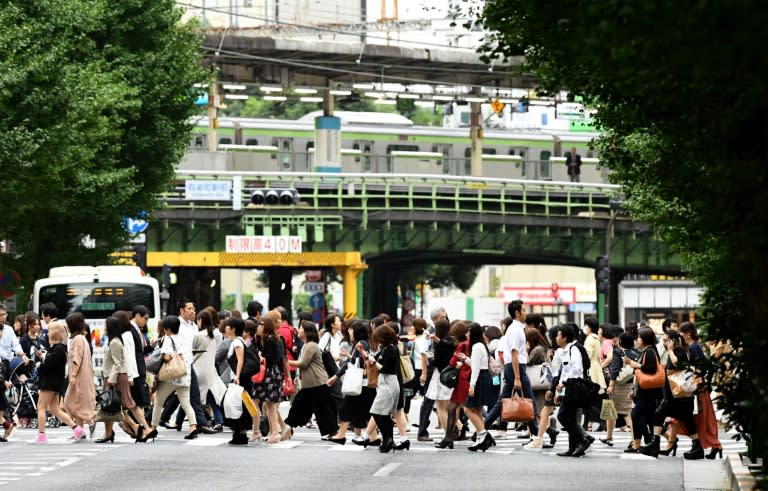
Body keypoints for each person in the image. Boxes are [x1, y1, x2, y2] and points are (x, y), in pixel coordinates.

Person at [640, 330, 704, 459]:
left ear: (672, 341)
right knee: (685, 419)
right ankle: (696, 447)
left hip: (677, 396)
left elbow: (677, 364)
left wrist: (669, 350)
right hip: (675, 396)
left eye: (666, 340)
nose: (664, 342)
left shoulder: (679, 351)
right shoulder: (675, 351)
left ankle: (656, 445)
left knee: (660, 415)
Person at [484, 300, 539, 440]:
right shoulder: (515, 329)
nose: (526, 313)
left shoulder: (517, 328)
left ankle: (482, 427)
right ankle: (539, 434)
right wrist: (518, 377)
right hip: (516, 368)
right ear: (517, 313)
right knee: (529, 400)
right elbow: (514, 353)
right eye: (524, 310)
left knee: (503, 402)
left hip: (513, 367)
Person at [145, 315, 199, 442]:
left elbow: (167, 357)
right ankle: (193, 426)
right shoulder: (182, 340)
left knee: (158, 401)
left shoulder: (168, 339)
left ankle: (153, 428)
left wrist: (163, 357)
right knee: (186, 403)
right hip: (184, 376)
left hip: (171, 377)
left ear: (166, 328)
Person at [284, 321, 338, 439]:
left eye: (301, 328)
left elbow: (303, 363)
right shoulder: (306, 345)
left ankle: (288, 427)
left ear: (307, 332)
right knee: (301, 406)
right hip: (311, 384)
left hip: (317, 383)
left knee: (322, 409)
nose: (298, 330)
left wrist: (287, 362)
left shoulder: (311, 345)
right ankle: (288, 427)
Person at [327, 320, 377, 444]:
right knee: (367, 411)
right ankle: (374, 438)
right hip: (363, 385)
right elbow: (356, 361)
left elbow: (360, 362)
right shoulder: (362, 343)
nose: (349, 331)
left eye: (351, 329)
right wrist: (350, 357)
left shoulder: (361, 344)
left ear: (356, 332)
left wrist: (336, 376)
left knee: (345, 408)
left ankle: (341, 435)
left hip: (361, 384)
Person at [677, 322, 722, 459]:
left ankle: (711, 445)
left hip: (698, 387)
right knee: (702, 418)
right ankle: (710, 446)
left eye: (682, 332)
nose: (680, 335)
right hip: (699, 386)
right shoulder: (695, 346)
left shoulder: (694, 347)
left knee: (702, 418)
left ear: (688, 333)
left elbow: (700, 368)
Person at [32, 322, 83, 443]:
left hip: (49, 382)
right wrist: (44, 356)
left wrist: (40, 363)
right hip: (55, 382)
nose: (47, 333)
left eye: (49, 331)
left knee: (41, 407)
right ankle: (76, 428)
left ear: (55, 332)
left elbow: (49, 365)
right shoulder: (59, 348)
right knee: (55, 409)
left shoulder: (58, 348)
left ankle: (41, 434)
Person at [552, 324, 592, 457]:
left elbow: (576, 369)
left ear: (564, 337)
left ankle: (582, 439)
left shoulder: (573, 349)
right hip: (568, 388)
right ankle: (573, 447)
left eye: (558, 335)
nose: (556, 338)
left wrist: (563, 384)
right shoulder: (566, 350)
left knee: (562, 416)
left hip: (573, 388)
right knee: (570, 417)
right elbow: (565, 371)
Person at [362, 324, 401, 453]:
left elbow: (385, 368)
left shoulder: (391, 350)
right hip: (386, 383)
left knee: (376, 412)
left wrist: (374, 361)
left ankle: (387, 439)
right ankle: (388, 440)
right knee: (384, 415)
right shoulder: (386, 349)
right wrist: (364, 353)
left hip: (389, 383)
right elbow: (373, 358)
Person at [624, 327, 662, 453]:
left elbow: (651, 369)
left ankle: (646, 441)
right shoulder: (646, 351)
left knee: (636, 415)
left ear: (645, 339)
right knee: (650, 418)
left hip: (648, 391)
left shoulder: (650, 351)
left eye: (639, 337)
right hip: (644, 390)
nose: (637, 340)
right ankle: (639, 444)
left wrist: (636, 365)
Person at [253, 316, 289, 444]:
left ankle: (275, 433)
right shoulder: (276, 339)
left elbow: (269, 358)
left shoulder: (270, 340)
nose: (259, 326)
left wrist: (260, 356)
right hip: (275, 374)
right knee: (270, 405)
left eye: (261, 324)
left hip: (269, 374)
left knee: (271, 405)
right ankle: (275, 432)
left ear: (266, 326)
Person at [463, 323, 496, 452]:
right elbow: (478, 365)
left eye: (468, 332)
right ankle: (480, 440)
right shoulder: (481, 345)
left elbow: (476, 368)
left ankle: (483, 434)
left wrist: (472, 386)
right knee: (477, 410)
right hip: (484, 377)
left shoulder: (476, 347)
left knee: (468, 409)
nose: (467, 334)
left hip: (479, 379)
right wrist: (466, 359)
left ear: (473, 333)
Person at [193, 309, 226, 434]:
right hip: (210, 370)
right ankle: (218, 420)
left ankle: (199, 421)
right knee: (211, 397)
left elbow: (193, 352)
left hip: (198, 369)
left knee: (194, 397)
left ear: (200, 320)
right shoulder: (213, 335)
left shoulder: (198, 335)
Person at [62, 313, 95, 439]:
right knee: (78, 402)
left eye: (68, 324)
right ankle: (80, 431)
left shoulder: (77, 339)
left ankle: (90, 420)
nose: (67, 327)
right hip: (83, 375)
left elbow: (77, 358)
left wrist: (74, 375)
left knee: (69, 402)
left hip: (79, 376)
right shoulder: (82, 338)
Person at [223, 317, 253, 445]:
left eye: (228, 326)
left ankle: (240, 434)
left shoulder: (237, 342)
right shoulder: (239, 341)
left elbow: (240, 360)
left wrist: (237, 376)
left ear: (233, 329)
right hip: (240, 378)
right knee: (239, 405)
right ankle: (239, 433)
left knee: (237, 405)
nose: (226, 328)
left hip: (239, 379)